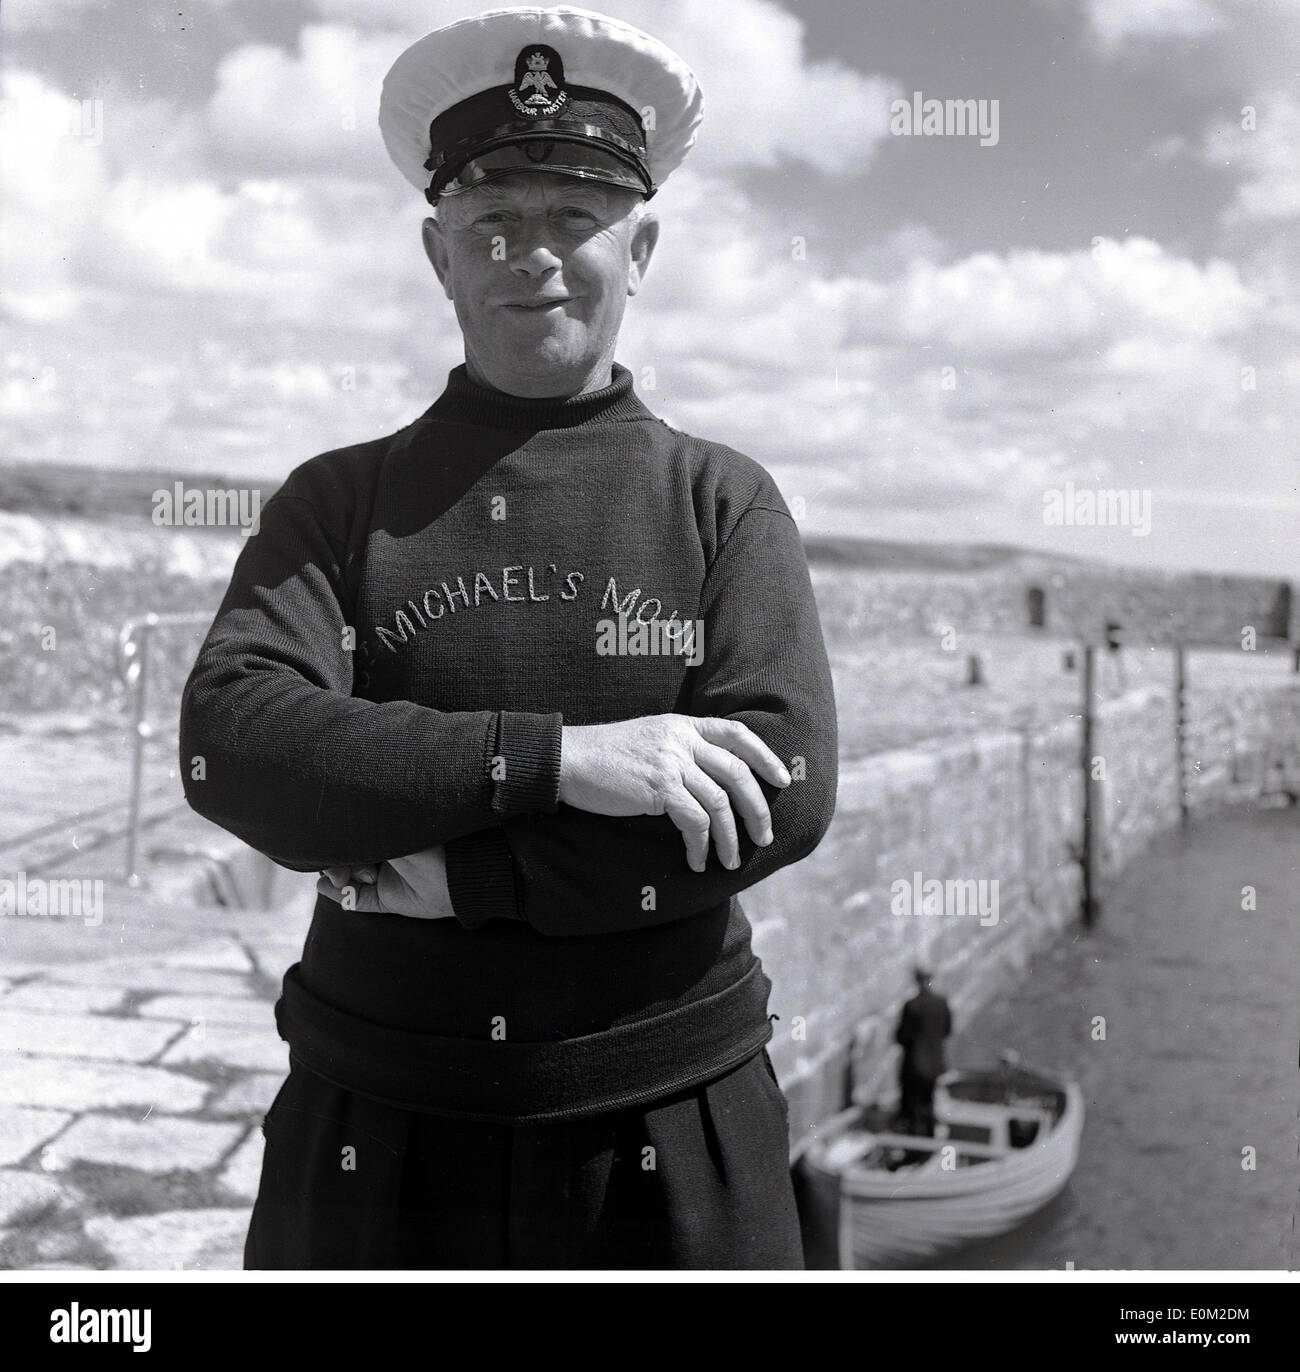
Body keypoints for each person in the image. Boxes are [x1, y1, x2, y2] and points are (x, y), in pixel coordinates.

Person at [179, 6, 838, 1270]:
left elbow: (782, 785)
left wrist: (464, 877)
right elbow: (235, 746)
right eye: (492, 223)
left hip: (671, 1134)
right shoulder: (338, 501)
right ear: (438, 255)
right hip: (374, 1135)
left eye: (573, 218)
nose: (531, 254)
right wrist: (559, 762)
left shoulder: (723, 502)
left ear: (639, 247)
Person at [894, 968, 952, 1136]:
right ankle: (930, 1137)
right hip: (935, 1064)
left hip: (914, 1065)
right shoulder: (942, 1003)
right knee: (929, 1101)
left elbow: (901, 1037)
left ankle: (914, 1145)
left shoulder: (911, 1006)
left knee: (913, 1107)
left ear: (916, 981)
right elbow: (947, 1030)